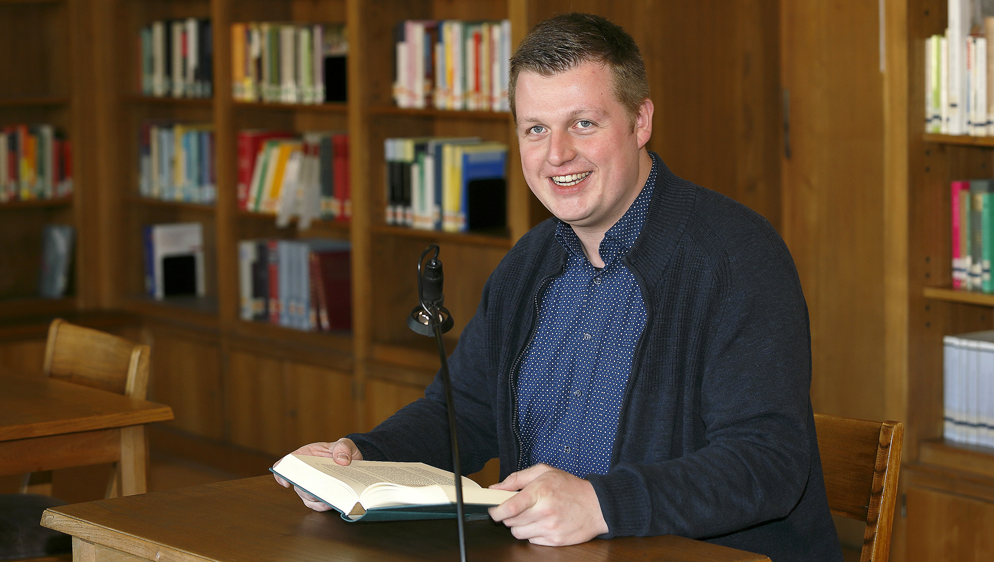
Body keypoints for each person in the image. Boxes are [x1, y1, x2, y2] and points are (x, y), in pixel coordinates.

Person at [275, 13, 843, 562]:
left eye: (584, 123)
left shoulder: (737, 255)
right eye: (536, 129)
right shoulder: (529, 264)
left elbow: (767, 464)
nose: (557, 155)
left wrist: (601, 505)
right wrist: (361, 458)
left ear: (640, 122)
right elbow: (465, 413)